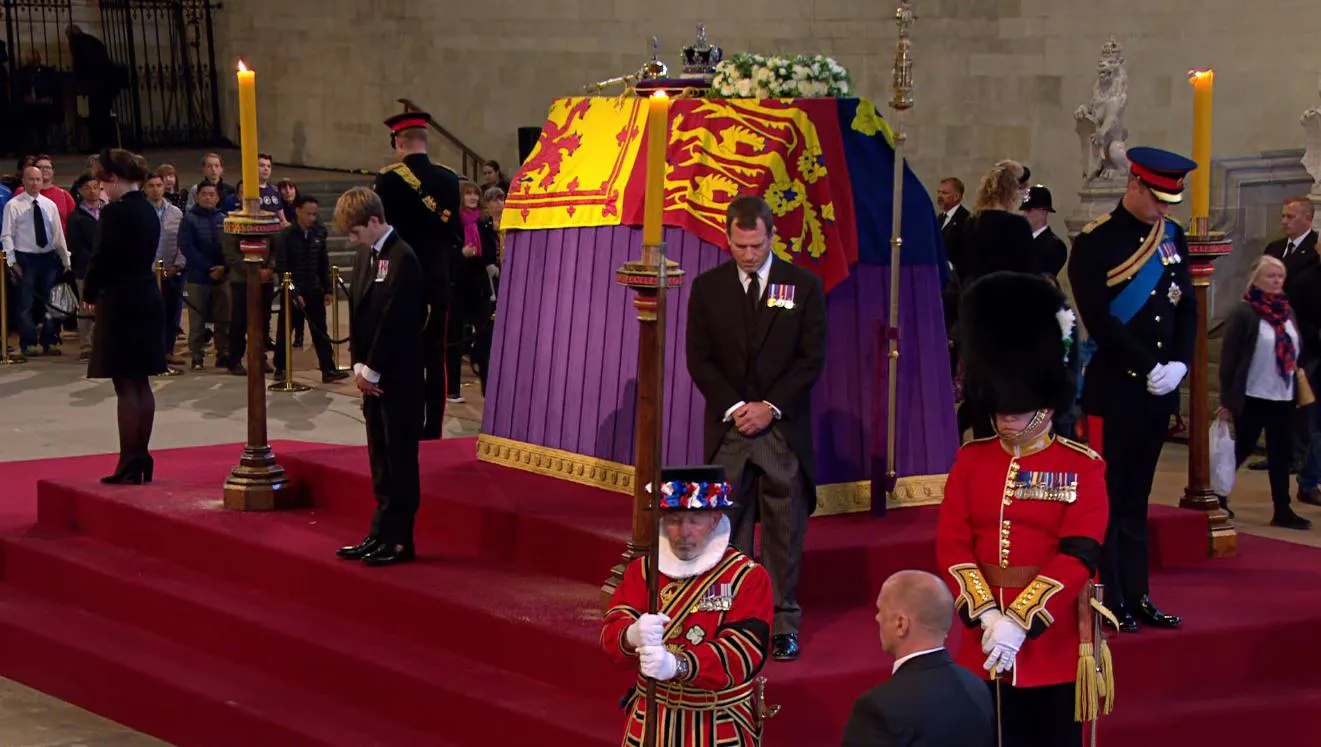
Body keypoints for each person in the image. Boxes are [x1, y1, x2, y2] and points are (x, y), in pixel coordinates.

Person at [937, 271, 1115, 747]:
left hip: (1051, 638)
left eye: (1017, 409)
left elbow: (1078, 554)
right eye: (1002, 409)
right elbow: (953, 544)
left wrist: (1020, 620)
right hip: (984, 635)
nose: (1008, 418)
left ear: (1048, 403)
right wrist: (986, 615)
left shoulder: (1082, 467)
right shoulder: (971, 460)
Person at [685, 195, 827, 661]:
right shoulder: (707, 288)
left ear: (772, 236)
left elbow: (811, 360)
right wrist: (735, 407)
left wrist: (769, 407)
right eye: (740, 246)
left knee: (785, 528)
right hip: (729, 428)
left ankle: (782, 621)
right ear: (727, 238)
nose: (748, 254)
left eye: (756, 246)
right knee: (726, 527)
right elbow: (699, 359)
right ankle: (736, 618)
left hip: (780, 428)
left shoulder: (803, 286)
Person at [1067, 146, 1197, 633]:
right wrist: (1148, 365)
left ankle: (1139, 595)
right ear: (1135, 185)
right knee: (1110, 496)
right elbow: (1099, 319)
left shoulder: (1173, 236)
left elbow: (1186, 306)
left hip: (1158, 391)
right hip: (1115, 389)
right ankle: (1110, 596)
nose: (1164, 209)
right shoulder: (1094, 241)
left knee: (1138, 498)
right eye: (1158, 198)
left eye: (1170, 201)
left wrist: (1180, 364)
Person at [600, 465, 773, 747]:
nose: (684, 532)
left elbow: (743, 653)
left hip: (717, 725)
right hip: (651, 723)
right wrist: (630, 634)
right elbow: (611, 635)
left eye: (695, 520)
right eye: (675, 520)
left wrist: (678, 664)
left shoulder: (747, 577)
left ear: (715, 520)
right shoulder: (643, 571)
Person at [334, 187, 425, 567]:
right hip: (370, 377)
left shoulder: (403, 258)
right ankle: (380, 532)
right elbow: (359, 313)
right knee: (380, 459)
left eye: (356, 232)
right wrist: (357, 365)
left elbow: (397, 320)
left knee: (400, 460)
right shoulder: (365, 257)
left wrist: (373, 368)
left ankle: (400, 539)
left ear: (374, 220)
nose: (353, 240)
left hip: (398, 377)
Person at [374, 111, 462, 440]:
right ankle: (433, 428)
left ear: (399, 143)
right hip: (437, 278)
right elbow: (453, 230)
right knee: (435, 356)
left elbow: (383, 230)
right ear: (424, 141)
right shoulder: (449, 179)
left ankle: (407, 424)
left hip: (402, 279)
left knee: (404, 355)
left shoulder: (388, 179)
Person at [82, 149, 165, 484]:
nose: (101, 187)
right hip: (146, 295)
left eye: (102, 180)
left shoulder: (115, 213)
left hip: (121, 300)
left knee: (125, 384)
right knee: (141, 381)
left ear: (114, 178)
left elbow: (102, 257)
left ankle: (129, 460)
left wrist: (89, 292)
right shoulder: (147, 209)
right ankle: (141, 456)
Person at [841, 570, 994, 747]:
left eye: (881, 610)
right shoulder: (977, 687)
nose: (877, 618)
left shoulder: (877, 708)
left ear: (901, 624)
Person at [1217, 255, 1311, 529]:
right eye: (1271, 276)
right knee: (1242, 448)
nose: (1277, 281)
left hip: (1283, 394)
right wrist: (1227, 398)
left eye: (1280, 276)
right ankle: (1217, 495)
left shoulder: (1287, 311)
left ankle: (1282, 509)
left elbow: (1297, 348)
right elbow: (1229, 359)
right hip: (1252, 395)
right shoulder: (1245, 313)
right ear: (1256, 280)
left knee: (1281, 454)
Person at [272, 195, 348, 383]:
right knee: (285, 331)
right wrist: (294, 293)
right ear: (298, 211)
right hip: (293, 290)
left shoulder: (318, 233)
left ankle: (328, 369)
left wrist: (328, 289)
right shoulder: (286, 236)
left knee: (320, 330)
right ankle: (281, 367)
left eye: (315, 214)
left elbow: (323, 263)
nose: (312, 218)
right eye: (308, 214)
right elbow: (282, 267)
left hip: (314, 289)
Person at [1, 165, 70, 357]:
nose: (34, 183)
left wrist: (65, 259)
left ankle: (50, 340)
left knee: (51, 302)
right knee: (26, 303)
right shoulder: (13, 205)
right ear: (23, 181)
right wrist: (11, 262)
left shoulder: (49, 205)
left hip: (48, 257)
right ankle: (28, 342)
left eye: (37, 179)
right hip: (26, 258)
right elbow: (7, 235)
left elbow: (58, 234)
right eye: (30, 179)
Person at [446, 180, 497, 403]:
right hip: (458, 285)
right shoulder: (453, 222)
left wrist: (483, 257)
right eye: (469, 194)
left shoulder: (484, 222)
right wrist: (461, 254)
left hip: (478, 284)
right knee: (454, 340)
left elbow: (490, 251)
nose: (473, 198)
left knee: (485, 337)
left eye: (476, 194)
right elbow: (447, 252)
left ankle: (489, 387)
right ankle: (452, 389)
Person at [178, 182, 231, 370]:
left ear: (217, 198)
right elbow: (187, 247)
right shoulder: (189, 219)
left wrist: (223, 268)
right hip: (198, 277)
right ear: (198, 197)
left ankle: (223, 353)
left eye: (211, 194)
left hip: (222, 276)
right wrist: (208, 268)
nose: (208, 198)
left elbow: (230, 248)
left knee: (224, 319)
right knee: (197, 320)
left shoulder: (224, 219)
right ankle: (197, 356)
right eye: (204, 194)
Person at [146, 172, 186, 369]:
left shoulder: (176, 213)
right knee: (149, 314)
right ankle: (150, 352)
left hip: (172, 271)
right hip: (148, 272)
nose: (156, 190)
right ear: (144, 188)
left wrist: (177, 265)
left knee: (172, 313)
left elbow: (183, 241)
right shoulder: (141, 212)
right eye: (151, 186)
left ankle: (168, 350)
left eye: (159, 185)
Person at [66, 173, 101, 360]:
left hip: (107, 268)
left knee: (104, 305)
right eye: (87, 188)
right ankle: (86, 343)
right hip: (85, 268)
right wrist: (94, 260)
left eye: (95, 187)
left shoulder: (108, 211)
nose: (92, 191)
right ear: (80, 191)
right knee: (86, 305)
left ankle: (101, 341)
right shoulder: (76, 216)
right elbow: (75, 245)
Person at [1023, 185, 1069, 279]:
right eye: (1024, 210)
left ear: (1043, 212)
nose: (1024, 215)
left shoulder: (1055, 245)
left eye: (1028, 210)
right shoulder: (1020, 240)